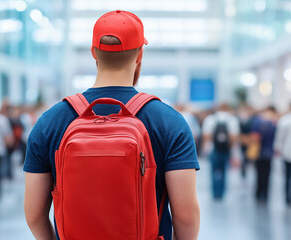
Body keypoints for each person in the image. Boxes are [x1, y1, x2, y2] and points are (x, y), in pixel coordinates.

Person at [24, 10, 200, 240]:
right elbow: (186, 216)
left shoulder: (49, 122)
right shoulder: (170, 122)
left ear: (93, 52)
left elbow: (34, 214)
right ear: (139, 54)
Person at [202, 103, 239, 200]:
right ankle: (222, 193)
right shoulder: (232, 120)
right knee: (224, 170)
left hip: (213, 149)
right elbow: (233, 138)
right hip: (226, 149)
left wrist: (206, 149)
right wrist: (233, 151)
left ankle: (215, 192)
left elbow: (206, 136)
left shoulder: (210, 119)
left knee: (214, 171)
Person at [250, 106, 277, 203]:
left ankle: (258, 193)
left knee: (258, 174)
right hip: (268, 152)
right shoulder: (273, 124)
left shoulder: (257, 122)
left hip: (258, 151)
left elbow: (253, 136)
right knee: (267, 174)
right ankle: (265, 193)